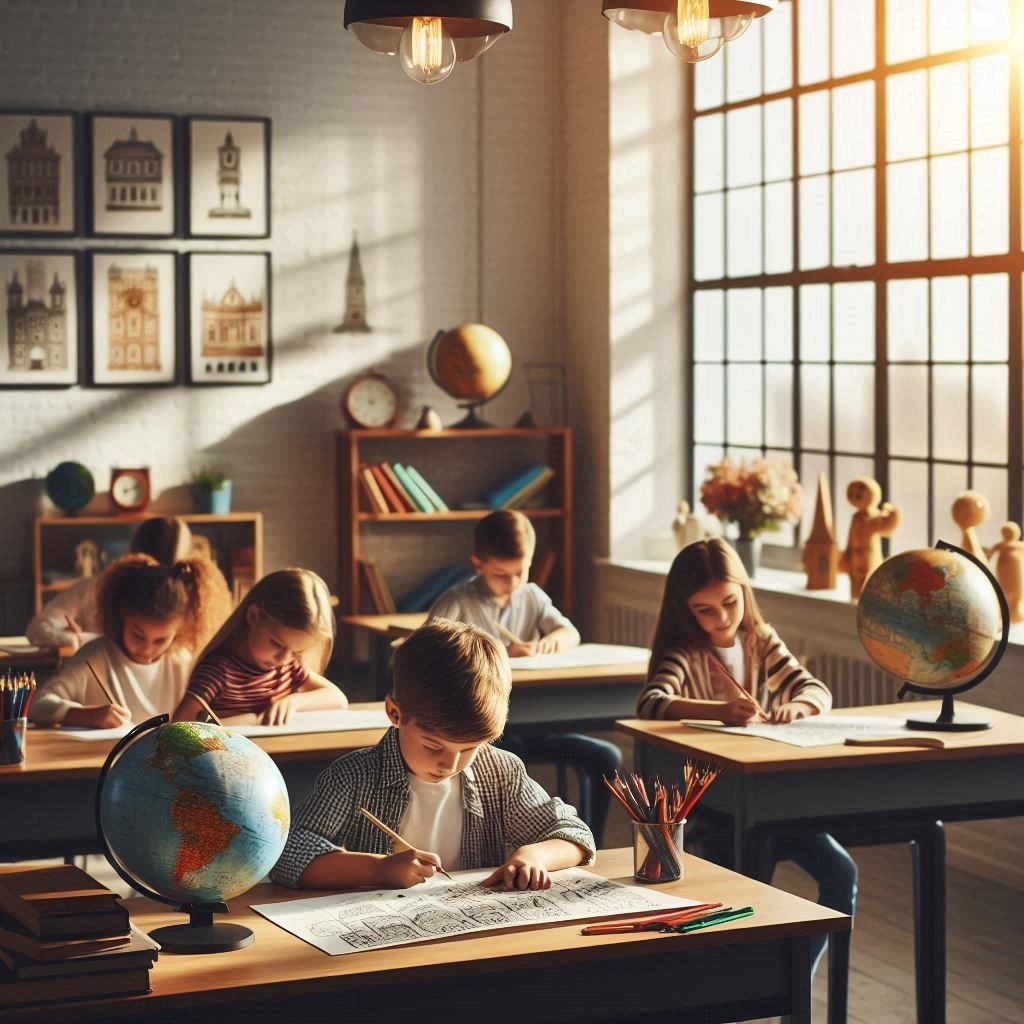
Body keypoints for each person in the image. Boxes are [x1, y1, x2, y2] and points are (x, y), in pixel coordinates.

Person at [636, 537, 857, 977]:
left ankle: (792, 978)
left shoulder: (760, 641)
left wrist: (799, 706)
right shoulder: (686, 651)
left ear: (744, 591)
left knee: (840, 873)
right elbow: (652, 701)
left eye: (730, 603)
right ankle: (739, 984)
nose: (721, 618)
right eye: (705, 610)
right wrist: (720, 711)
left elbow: (816, 690)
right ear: (686, 610)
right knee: (745, 895)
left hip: (772, 799)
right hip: (714, 809)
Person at [271, 619, 595, 891]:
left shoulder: (500, 773)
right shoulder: (354, 777)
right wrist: (378, 870)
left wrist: (535, 856)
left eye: (469, 748)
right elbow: (286, 855)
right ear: (395, 713)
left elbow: (575, 834)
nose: (450, 765)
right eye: (433, 746)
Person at [425, 509, 622, 843]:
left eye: (521, 572)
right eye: (502, 575)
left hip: (537, 724)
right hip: (483, 734)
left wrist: (550, 641)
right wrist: (500, 653)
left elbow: (568, 631)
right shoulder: (457, 601)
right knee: (507, 764)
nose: (513, 584)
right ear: (478, 564)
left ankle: (587, 843)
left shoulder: (531, 595)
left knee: (608, 757)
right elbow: (430, 656)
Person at [29, 554, 225, 729]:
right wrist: (86, 715)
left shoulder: (182, 661)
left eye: (161, 640)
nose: (147, 650)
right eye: (138, 636)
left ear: (179, 630)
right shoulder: (96, 657)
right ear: (122, 614)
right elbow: (38, 705)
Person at [173, 568, 347, 726]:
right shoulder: (218, 671)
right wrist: (254, 719)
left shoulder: (290, 666)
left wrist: (292, 702)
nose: (283, 659)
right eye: (277, 643)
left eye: (297, 651)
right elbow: (181, 724)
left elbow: (338, 698)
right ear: (253, 616)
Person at [26, 516, 220, 650]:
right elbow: (38, 628)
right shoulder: (93, 589)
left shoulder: (192, 605)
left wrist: (84, 641)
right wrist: (81, 641)